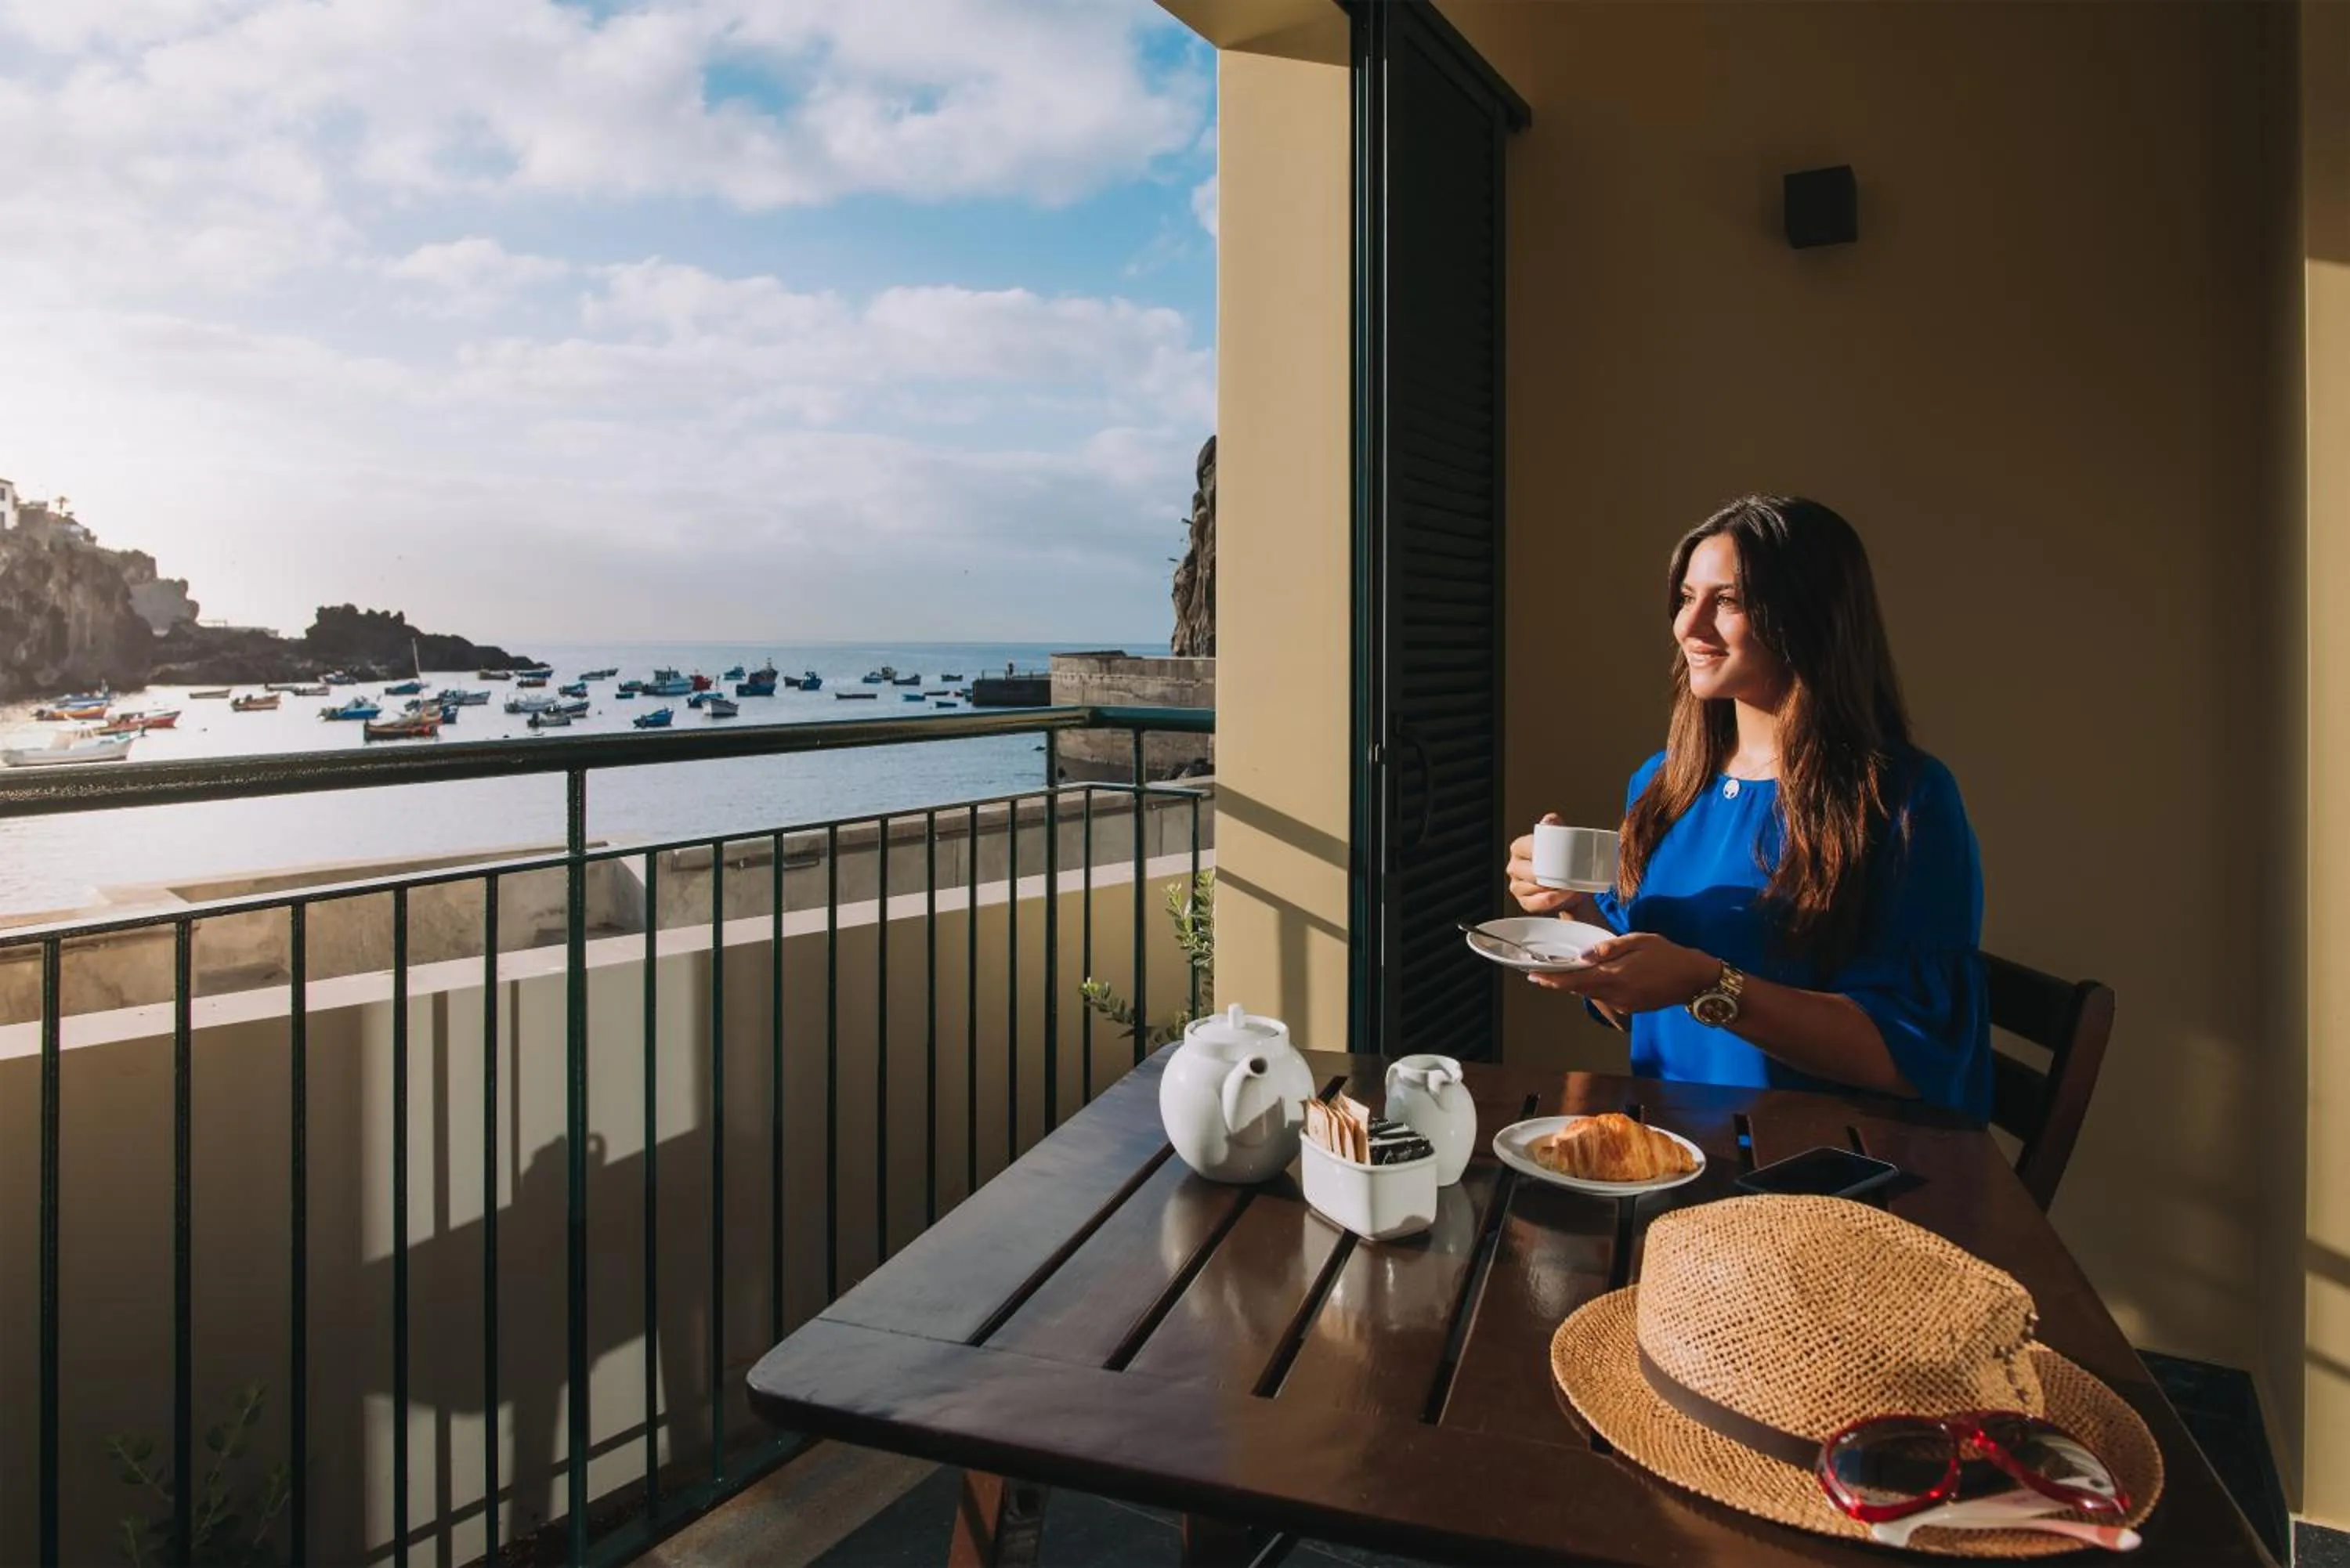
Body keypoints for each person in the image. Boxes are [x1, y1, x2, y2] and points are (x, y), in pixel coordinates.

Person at [1505, 495, 1989, 1116]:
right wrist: (1572, 910)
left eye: (1727, 600)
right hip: (1669, 1145)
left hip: (1819, 1168)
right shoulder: (1663, 784)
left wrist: (1707, 982)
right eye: (1686, 597)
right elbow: (1626, 1007)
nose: (1689, 625)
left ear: (1809, 616)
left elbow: (1913, 1057)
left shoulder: (1906, 799)